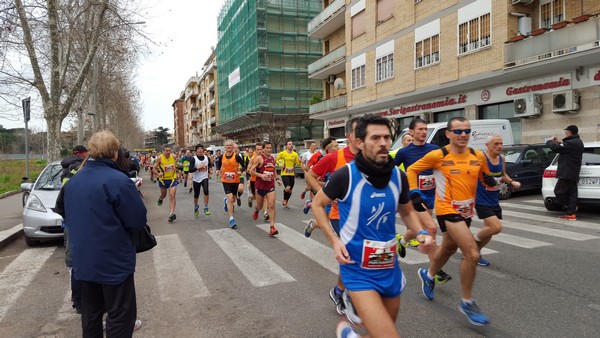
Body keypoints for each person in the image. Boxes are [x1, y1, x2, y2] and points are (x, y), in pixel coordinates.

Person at [312, 115, 435, 337]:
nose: (383, 143)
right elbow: (318, 204)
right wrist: (334, 240)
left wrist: (422, 232)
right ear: (360, 143)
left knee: (383, 328)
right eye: (376, 137)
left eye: (387, 137)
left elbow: (407, 211)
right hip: (358, 269)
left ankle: (350, 335)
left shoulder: (399, 176)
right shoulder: (345, 176)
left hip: (389, 267)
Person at [408, 117, 498, 326]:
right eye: (458, 131)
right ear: (448, 134)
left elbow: (484, 173)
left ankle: (428, 274)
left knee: (448, 249)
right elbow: (411, 170)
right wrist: (414, 193)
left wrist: (489, 179)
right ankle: (467, 302)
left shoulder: (477, 156)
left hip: (467, 212)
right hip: (447, 209)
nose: (463, 135)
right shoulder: (439, 155)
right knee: (472, 254)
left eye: (467, 131)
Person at [61, 131, 146, 337]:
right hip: (113, 261)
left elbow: (63, 211)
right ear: (115, 153)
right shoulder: (119, 180)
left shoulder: (74, 181)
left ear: (90, 153)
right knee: (120, 316)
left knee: (91, 315)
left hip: (83, 261)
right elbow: (137, 221)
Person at [306, 117, 359, 317]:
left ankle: (339, 291)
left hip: (364, 216)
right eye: (358, 132)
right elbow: (310, 175)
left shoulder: (369, 157)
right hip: (340, 216)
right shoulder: (334, 158)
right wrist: (324, 193)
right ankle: (345, 296)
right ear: (349, 136)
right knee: (351, 255)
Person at [393, 118, 452, 284]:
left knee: (415, 228)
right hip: (415, 196)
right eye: (420, 129)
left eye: (425, 129)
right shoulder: (404, 152)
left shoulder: (434, 149)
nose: (423, 132)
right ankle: (435, 270)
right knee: (430, 227)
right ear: (411, 132)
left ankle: (402, 241)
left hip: (431, 194)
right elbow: (392, 170)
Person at [475, 135, 521, 266]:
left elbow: (503, 175)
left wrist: (512, 182)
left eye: (501, 143)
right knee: (496, 227)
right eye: (496, 144)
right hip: (481, 198)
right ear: (487, 145)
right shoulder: (481, 158)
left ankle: (475, 253)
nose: (499, 146)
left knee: (489, 231)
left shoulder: (502, 158)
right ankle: (472, 244)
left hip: (494, 199)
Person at [545, 125, 584, 220]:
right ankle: (571, 214)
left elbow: (555, 148)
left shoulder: (571, 143)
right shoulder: (577, 142)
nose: (565, 132)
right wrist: (558, 143)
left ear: (570, 132)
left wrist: (549, 141)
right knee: (572, 193)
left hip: (567, 173)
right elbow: (564, 148)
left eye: (566, 131)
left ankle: (571, 208)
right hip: (573, 172)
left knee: (558, 191)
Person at [302, 136, 339, 236]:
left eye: (338, 145)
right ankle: (312, 222)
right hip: (326, 189)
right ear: (327, 148)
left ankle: (310, 204)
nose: (338, 148)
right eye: (335, 146)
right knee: (325, 222)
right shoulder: (318, 156)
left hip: (331, 188)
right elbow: (307, 168)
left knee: (325, 221)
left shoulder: (339, 157)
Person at [248, 141, 282, 237]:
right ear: (263, 149)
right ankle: (256, 210)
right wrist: (261, 175)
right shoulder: (259, 158)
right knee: (259, 205)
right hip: (260, 186)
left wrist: (277, 179)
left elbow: (274, 170)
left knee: (271, 206)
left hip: (270, 186)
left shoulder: (272, 159)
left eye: (270, 148)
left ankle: (272, 227)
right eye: (267, 148)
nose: (269, 149)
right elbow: (251, 171)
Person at [216, 139, 245, 228]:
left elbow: (243, 165)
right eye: (227, 145)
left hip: (235, 180)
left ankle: (226, 201)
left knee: (233, 199)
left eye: (230, 145)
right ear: (225, 147)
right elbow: (218, 163)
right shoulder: (222, 156)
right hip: (226, 180)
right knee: (230, 198)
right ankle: (231, 219)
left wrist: (241, 171)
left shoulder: (236, 156)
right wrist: (217, 170)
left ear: (233, 147)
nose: (229, 147)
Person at [153, 144, 179, 222]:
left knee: (172, 195)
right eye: (166, 151)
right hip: (163, 180)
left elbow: (175, 165)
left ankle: (171, 213)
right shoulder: (159, 158)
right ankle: (161, 198)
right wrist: (158, 174)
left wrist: (177, 172)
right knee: (164, 195)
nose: (168, 152)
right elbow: (153, 169)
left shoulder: (174, 157)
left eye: (169, 150)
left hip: (172, 179)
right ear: (163, 151)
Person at [275, 140, 301, 208]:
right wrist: (280, 164)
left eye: (291, 144)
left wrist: (300, 161)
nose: (291, 145)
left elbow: (298, 163)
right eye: (289, 144)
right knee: (287, 188)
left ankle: (286, 200)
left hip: (292, 174)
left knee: (290, 190)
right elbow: (276, 160)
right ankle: (285, 199)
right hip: (284, 173)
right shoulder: (282, 153)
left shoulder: (295, 154)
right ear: (286, 146)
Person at [192, 144, 212, 216]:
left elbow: (209, 165)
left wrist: (210, 169)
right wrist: (198, 168)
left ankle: (206, 207)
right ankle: (196, 206)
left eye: (201, 149)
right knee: (196, 194)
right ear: (196, 151)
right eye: (198, 149)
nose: (200, 150)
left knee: (206, 191)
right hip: (196, 179)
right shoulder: (193, 159)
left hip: (204, 177)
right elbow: (190, 170)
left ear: (203, 150)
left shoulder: (206, 158)